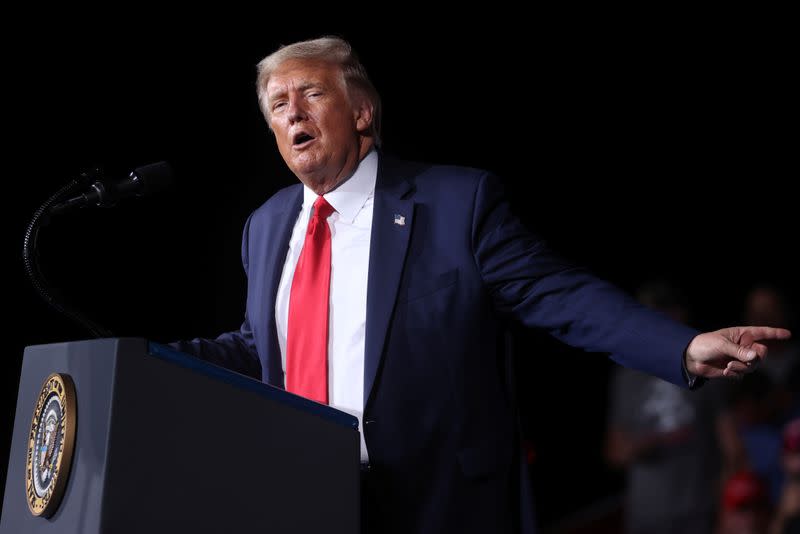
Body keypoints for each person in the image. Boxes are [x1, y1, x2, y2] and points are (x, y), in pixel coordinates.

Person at [171, 36, 791, 534]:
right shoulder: (266, 224)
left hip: (436, 500)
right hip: (304, 500)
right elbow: (262, 346)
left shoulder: (454, 203)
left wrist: (680, 346)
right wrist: (142, 360)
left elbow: (559, 294)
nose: (293, 113)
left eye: (310, 94)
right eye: (278, 105)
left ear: (362, 111)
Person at [606, 280, 736, 534]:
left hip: (699, 513)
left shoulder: (706, 369)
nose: (656, 321)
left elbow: (732, 446)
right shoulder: (625, 376)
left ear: (679, 313)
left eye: (663, 311)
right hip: (646, 518)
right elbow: (613, 452)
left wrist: (726, 510)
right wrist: (648, 443)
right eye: (649, 313)